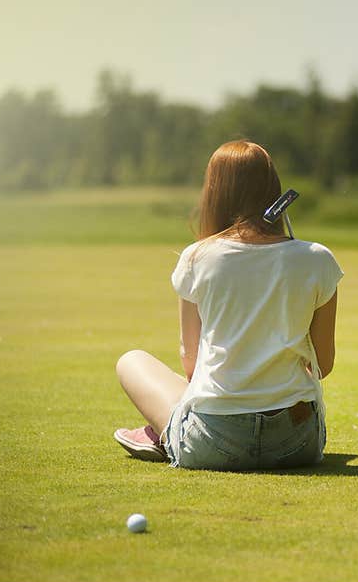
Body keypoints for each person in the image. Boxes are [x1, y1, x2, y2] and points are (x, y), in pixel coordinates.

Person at [112, 139, 344, 471]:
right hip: (296, 444)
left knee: (131, 361)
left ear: (215, 192)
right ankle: (170, 431)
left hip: (212, 440)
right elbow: (323, 364)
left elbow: (191, 364)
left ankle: (169, 433)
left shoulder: (197, 257)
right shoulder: (319, 259)